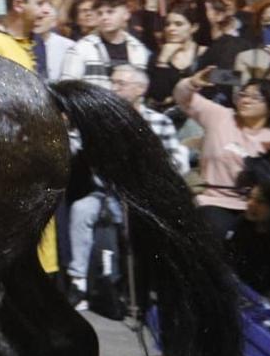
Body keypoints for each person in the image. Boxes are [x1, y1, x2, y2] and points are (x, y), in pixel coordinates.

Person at [68, 65, 188, 304]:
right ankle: (78, 281)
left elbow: (176, 164)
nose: (114, 88)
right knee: (81, 210)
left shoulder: (158, 122)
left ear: (140, 89)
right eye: (113, 82)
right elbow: (77, 149)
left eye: (120, 83)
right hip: (107, 192)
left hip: (145, 196)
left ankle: (150, 286)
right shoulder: (102, 120)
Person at [175, 67, 270, 244]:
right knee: (220, 236)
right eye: (243, 94)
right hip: (214, 201)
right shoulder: (221, 117)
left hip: (258, 206)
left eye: (255, 98)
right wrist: (192, 83)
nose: (246, 101)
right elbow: (183, 98)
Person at [62, 0, 152, 87]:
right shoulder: (81, 49)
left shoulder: (139, 50)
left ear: (126, 15)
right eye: (100, 13)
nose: (104, 17)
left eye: (110, 12)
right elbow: (67, 88)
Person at [146, 7, 201, 110]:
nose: (171, 29)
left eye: (178, 24)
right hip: (166, 116)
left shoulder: (204, 54)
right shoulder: (156, 57)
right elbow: (158, 96)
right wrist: (163, 60)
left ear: (194, 27)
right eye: (167, 24)